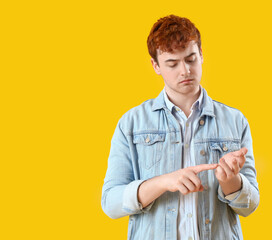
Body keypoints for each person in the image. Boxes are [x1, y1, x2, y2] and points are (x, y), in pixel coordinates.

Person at [101, 15, 260, 240]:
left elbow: (250, 206)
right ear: (155, 66)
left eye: (191, 59)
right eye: (172, 64)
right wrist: (164, 181)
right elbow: (111, 202)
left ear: (202, 55)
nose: (184, 71)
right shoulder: (131, 123)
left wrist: (230, 181)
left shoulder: (235, 121)